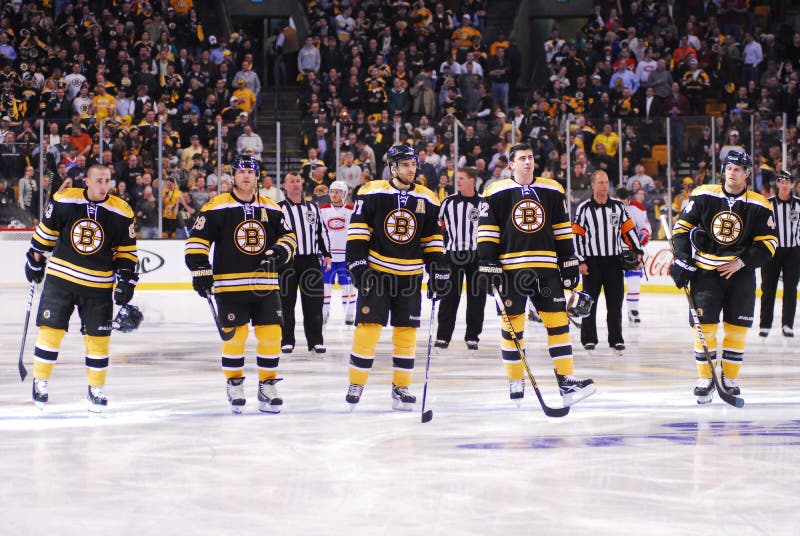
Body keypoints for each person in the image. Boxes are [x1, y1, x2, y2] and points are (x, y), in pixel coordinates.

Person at [477, 142, 595, 406]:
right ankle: (515, 380)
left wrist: (568, 261)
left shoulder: (552, 190)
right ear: (511, 164)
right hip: (511, 270)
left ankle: (567, 382)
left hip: (547, 269)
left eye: (530, 158)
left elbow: (562, 230)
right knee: (512, 327)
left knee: (559, 324)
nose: (528, 162)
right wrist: (487, 263)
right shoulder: (495, 192)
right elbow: (487, 231)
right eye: (522, 158)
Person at [185, 156, 298, 413]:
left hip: (265, 285)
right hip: (230, 285)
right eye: (242, 171)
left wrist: (280, 251)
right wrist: (200, 269)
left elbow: (289, 237)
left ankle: (267, 385)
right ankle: (234, 383)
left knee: (272, 336)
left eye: (251, 171)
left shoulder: (271, 207)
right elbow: (196, 242)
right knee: (236, 337)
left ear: (257, 177)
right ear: (233, 176)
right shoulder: (217, 206)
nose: (247, 175)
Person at [25, 164, 138, 412]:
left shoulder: (121, 211)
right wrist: (34, 261)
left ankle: (96, 388)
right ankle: (40, 382)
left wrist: (126, 280)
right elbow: (44, 237)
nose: (104, 186)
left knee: (99, 340)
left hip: (98, 286)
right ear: (86, 181)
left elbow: (127, 253)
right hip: (60, 280)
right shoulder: (65, 200)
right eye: (98, 180)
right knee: (50, 332)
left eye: (107, 181)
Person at [344, 144, 449, 411]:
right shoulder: (372, 193)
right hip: (377, 273)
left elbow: (432, 239)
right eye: (405, 165)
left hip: (410, 276)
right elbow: (357, 234)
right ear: (392, 168)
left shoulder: (428, 197)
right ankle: (356, 383)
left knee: (406, 332)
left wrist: (438, 268)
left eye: (413, 164)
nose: (411, 169)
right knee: (368, 328)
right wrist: (358, 267)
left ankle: (401, 388)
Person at [670, 150, 777, 404]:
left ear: (747, 174)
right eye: (729, 168)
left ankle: (729, 378)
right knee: (704, 328)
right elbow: (681, 229)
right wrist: (683, 258)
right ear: (723, 170)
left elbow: (769, 244)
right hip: (706, 273)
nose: (732, 172)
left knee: (737, 328)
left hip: (740, 274)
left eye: (738, 169)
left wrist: (742, 261)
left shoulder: (760, 205)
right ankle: (706, 378)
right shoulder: (703, 194)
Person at [573, 170, 643, 354]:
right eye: (601, 182)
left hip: (614, 262)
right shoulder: (584, 208)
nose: (604, 185)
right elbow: (577, 237)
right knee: (589, 303)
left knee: (615, 303)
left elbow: (629, 231)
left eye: (606, 182)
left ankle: (616, 339)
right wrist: (580, 261)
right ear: (592, 185)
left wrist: (638, 251)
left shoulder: (618, 208)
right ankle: (589, 338)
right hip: (591, 262)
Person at [279, 171, 331, 354]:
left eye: (298, 181)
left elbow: (321, 232)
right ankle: (287, 340)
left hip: (310, 260)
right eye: (291, 181)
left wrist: (327, 253)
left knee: (314, 303)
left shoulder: (313, 208)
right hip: (287, 262)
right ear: (285, 185)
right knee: (286, 303)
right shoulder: (278, 209)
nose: (296, 184)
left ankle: (316, 341)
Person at [435, 166, 486, 352]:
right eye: (458, 178)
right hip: (453, 255)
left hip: (476, 256)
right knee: (449, 297)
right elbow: (436, 227)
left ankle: (473, 336)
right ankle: (443, 336)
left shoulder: (483, 203)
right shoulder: (448, 202)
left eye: (462, 178)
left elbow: (490, 230)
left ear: (472, 181)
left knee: (477, 297)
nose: (458, 181)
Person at [759, 170, 800, 338]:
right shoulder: (767, 204)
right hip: (772, 251)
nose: (784, 184)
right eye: (781, 181)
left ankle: (787, 325)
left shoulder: (798, 204)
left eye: (787, 181)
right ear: (777, 183)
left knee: (791, 289)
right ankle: (765, 325)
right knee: (768, 288)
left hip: (794, 251)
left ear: (792, 184)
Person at [319, 181, 356, 325]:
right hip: (327, 256)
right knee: (325, 286)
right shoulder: (322, 210)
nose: (334, 194)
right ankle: (323, 313)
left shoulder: (352, 210)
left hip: (346, 256)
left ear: (345, 194)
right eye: (332, 191)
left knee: (348, 286)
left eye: (338, 192)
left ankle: (349, 314)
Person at [616, 187, 651, 325]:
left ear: (628, 199)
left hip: (632, 251)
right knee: (614, 284)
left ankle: (633, 310)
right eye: (620, 201)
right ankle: (615, 311)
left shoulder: (637, 208)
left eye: (624, 201)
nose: (622, 204)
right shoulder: (609, 206)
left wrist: (638, 246)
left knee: (634, 281)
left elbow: (645, 229)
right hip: (614, 251)